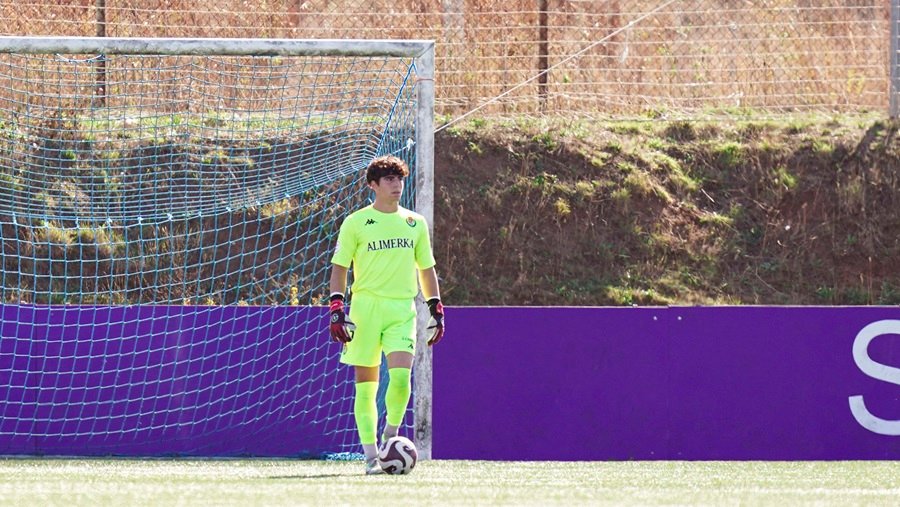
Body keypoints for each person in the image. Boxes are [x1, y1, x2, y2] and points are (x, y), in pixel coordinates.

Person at [328, 155, 445, 475]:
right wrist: (337, 307)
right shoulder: (356, 222)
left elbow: (426, 268)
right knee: (365, 386)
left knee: (401, 378)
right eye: (389, 180)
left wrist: (435, 306)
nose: (396, 185)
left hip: (401, 309)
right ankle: (369, 457)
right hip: (365, 309)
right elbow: (340, 268)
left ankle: (390, 437)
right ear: (373, 185)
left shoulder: (414, 223)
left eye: (399, 179)